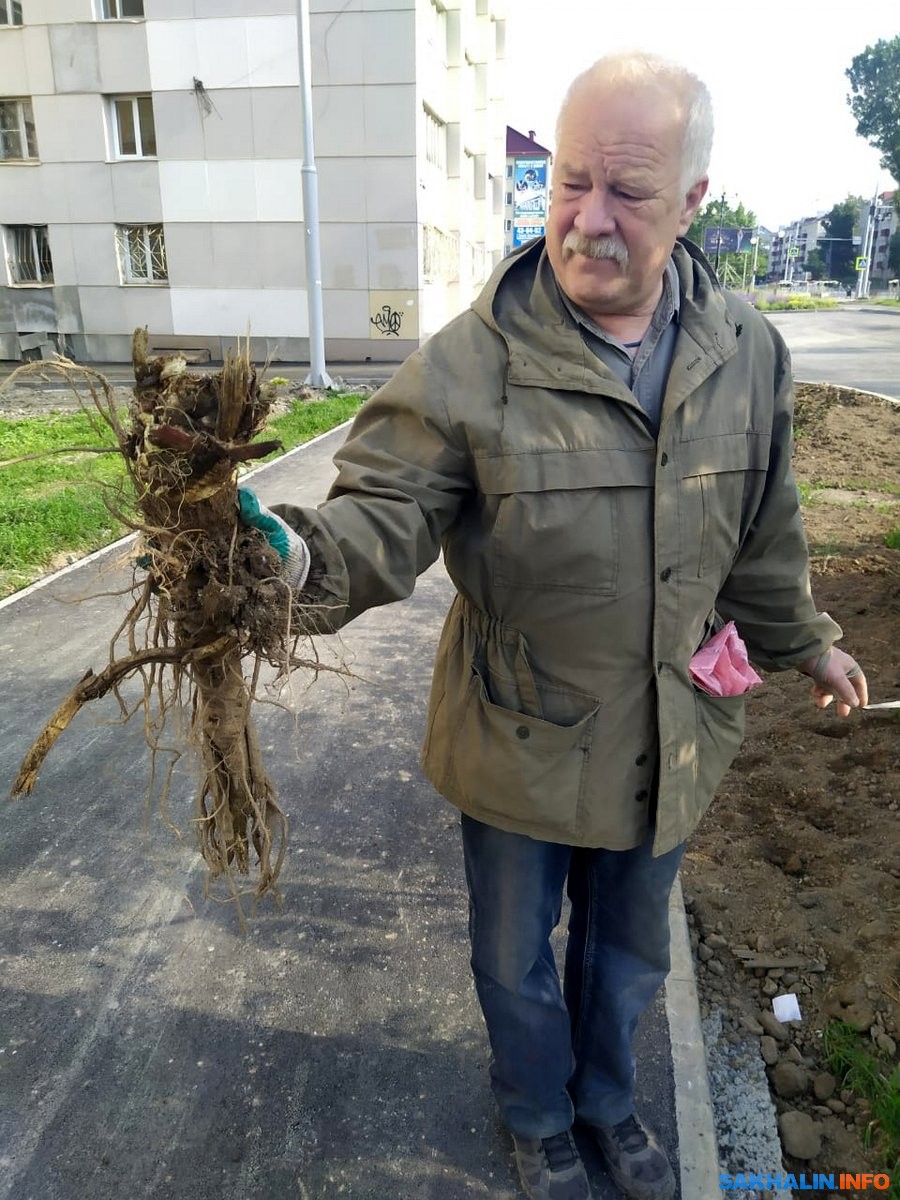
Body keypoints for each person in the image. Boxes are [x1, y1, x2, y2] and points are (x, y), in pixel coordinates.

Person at [238, 52, 868, 1200]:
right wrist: (289, 563)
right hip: (520, 734)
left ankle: (610, 1110)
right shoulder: (475, 362)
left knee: (627, 961)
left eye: (628, 191)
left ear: (691, 202)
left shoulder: (747, 355)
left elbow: (765, 531)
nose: (588, 219)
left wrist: (806, 641)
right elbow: (382, 510)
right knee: (513, 961)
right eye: (572, 181)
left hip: (668, 733)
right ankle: (536, 1117)